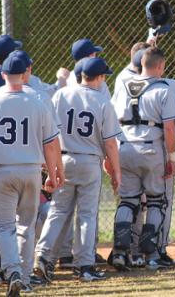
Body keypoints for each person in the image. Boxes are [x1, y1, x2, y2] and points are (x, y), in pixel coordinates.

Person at [0, 53, 60, 295]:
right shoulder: (37, 101)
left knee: (4, 226)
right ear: (24, 74)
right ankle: (24, 277)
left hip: (1, 170)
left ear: (3, 75)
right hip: (31, 169)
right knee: (27, 225)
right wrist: (52, 175)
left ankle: (11, 271)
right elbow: (51, 144)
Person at [35, 57, 121, 282]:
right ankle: (84, 266)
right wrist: (116, 171)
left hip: (63, 159)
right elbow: (111, 142)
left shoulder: (62, 94)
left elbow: (49, 130)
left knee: (58, 211)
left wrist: (49, 162)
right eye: (104, 76)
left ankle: (42, 257)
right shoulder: (102, 101)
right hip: (89, 161)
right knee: (86, 214)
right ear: (100, 78)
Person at [110, 47, 175, 271]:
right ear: (159, 66)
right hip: (151, 149)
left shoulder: (122, 85)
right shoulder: (163, 88)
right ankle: (150, 255)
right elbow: (169, 128)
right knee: (156, 201)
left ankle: (120, 252)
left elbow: (111, 119)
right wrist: (171, 156)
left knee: (128, 201)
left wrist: (109, 155)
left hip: (125, 147)